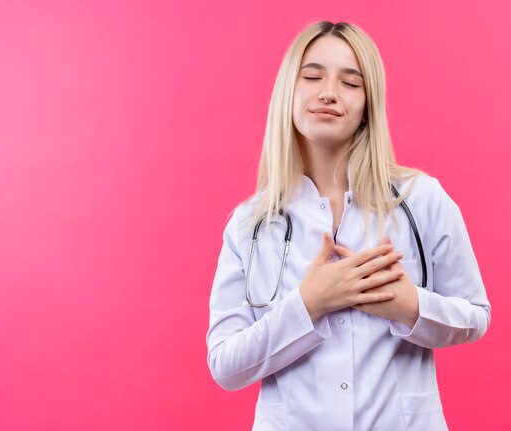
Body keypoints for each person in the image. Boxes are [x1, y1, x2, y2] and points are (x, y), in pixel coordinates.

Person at [206, 20, 491, 431]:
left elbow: (476, 316)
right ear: (289, 91)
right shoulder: (249, 224)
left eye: (350, 83)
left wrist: (411, 307)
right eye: (312, 76)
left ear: (366, 107)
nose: (328, 92)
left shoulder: (421, 199)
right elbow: (225, 365)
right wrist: (309, 304)